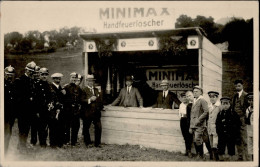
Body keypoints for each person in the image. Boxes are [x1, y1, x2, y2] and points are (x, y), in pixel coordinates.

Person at [15, 61, 37, 152]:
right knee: (22, 128)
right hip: (22, 109)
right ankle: (21, 146)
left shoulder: (32, 81)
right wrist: (27, 100)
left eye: (32, 72)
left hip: (30, 109)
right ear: (26, 70)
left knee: (27, 128)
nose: (30, 73)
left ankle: (23, 145)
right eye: (29, 71)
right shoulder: (20, 80)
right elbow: (18, 96)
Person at [81, 74, 103, 147]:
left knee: (98, 127)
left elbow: (99, 100)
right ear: (87, 81)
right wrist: (90, 100)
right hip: (87, 112)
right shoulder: (83, 90)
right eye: (89, 81)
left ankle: (97, 143)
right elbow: (81, 100)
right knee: (86, 128)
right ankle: (88, 143)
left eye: (92, 81)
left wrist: (101, 107)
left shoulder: (96, 90)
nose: (91, 82)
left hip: (96, 113)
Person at [216, 97, 241, 161]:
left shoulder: (233, 113)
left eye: (227, 104)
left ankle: (231, 158)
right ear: (221, 105)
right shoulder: (220, 114)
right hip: (222, 134)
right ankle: (221, 158)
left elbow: (238, 124)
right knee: (221, 146)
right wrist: (219, 132)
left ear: (229, 104)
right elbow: (217, 124)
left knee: (231, 146)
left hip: (231, 134)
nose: (225, 106)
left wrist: (235, 133)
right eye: (223, 104)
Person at [33, 67, 52, 147]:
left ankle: (44, 141)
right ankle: (41, 143)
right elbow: (35, 99)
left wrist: (50, 103)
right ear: (39, 75)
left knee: (46, 127)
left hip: (47, 109)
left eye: (46, 75)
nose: (44, 76)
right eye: (42, 74)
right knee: (40, 127)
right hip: (39, 109)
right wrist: (36, 111)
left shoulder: (48, 84)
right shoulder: (36, 85)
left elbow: (50, 96)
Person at [189, 86, 209, 160]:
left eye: (196, 91)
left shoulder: (202, 100)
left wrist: (199, 120)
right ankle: (199, 154)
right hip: (194, 125)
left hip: (200, 124)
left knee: (198, 139)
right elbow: (192, 115)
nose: (195, 93)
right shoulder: (194, 100)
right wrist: (191, 126)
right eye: (194, 92)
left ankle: (201, 155)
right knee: (195, 139)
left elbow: (206, 111)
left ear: (201, 92)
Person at [63, 72, 83, 146]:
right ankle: (66, 141)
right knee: (67, 126)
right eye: (72, 77)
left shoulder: (78, 88)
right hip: (68, 109)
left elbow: (80, 98)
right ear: (70, 78)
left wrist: (79, 105)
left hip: (76, 110)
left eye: (75, 78)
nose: (74, 79)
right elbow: (63, 98)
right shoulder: (66, 87)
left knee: (76, 126)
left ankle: (73, 142)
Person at [232, 79, 249, 161]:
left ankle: (248, 157)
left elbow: (248, 108)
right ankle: (240, 156)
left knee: (245, 139)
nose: (237, 87)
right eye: (236, 86)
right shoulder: (235, 96)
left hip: (243, 119)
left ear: (242, 86)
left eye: (239, 85)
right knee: (237, 138)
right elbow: (233, 107)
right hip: (235, 120)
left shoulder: (246, 95)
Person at [48, 73, 66, 148]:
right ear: (53, 79)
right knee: (53, 127)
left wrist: (64, 94)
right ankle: (53, 144)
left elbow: (62, 99)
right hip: (53, 110)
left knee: (60, 126)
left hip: (60, 110)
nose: (58, 80)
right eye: (56, 79)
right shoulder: (50, 87)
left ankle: (59, 143)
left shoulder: (61, 88)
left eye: (59, 79)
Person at [4, 65, 17, 155]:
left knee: (8, 134)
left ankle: (5, 152)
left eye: (11, 75)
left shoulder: (13, 85)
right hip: (3, 114)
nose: (9, 76)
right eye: (8, 74)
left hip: (10, 115)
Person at [207, 91, 221, 161]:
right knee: (211, 141)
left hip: (216, 127)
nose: (212, 99)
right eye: (210, 97)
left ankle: (217, 157)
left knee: (216, 142)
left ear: (217, 97)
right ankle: (212, 156)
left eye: (214, 97)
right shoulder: (209, 106)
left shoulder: (219, 106)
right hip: (210, 127)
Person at [179, 92, 193, 158]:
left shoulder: (190, 105)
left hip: (188, 120)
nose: (184, 99)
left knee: (189, 136)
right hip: (182, 121)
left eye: (185, 97)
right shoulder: (181, 104)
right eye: (183, 97)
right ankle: (187, 151)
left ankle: (189, 151)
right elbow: (180, 114)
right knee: (185, 136)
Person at [30, 65, 41, 146]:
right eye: (35, 73)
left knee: (41, 125)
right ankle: (33, 141)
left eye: (38, 73)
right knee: (34, 125)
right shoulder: (31, 82)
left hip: (41, 106)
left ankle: (42, 141)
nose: (37, 74)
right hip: (33, 107)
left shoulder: (42, 83)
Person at [245, 92, 253, 160]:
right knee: (250, 146)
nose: (251, 102)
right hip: (249, 129)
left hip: (255, 129)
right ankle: (252, 159)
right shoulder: (247, 109)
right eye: (249, 100)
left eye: (252, 100)